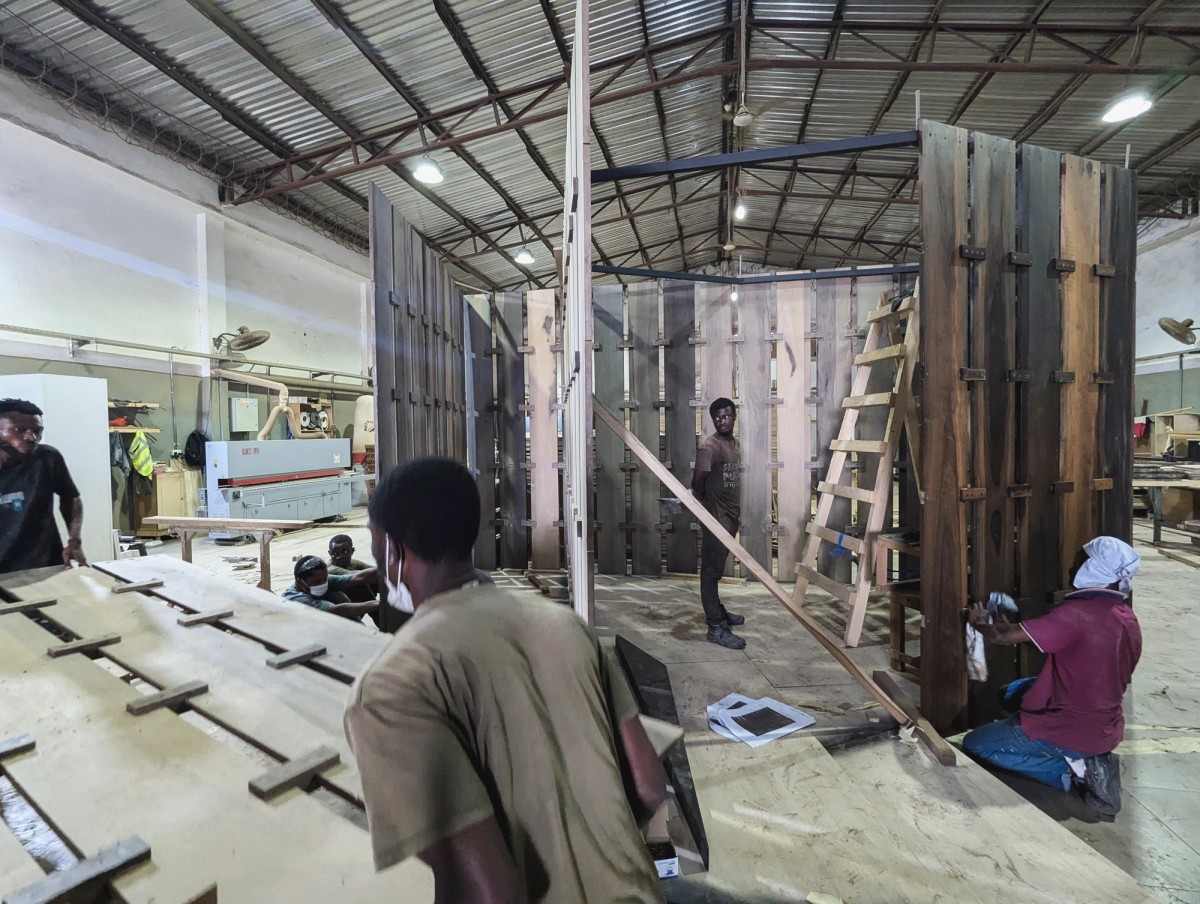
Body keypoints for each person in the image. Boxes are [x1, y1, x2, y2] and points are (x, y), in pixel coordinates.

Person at [344, 457, 667, 903]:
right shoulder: (566, 625)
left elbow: (491, 894)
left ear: (393, 551)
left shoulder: (390, 686)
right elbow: (649, 787)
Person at [961, 536, 1143, 816]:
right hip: (1104, 721)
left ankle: (1076, 769)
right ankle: (1075, 753)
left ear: (1093, 569)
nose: (1072, 567)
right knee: (1011, 693)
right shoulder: (1124, 615)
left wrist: (981, 624)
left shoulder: (1077, 615)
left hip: (1072, 726)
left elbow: (1004, 636)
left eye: (1079, 561)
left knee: (976, 745)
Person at [0, 398, 87, 573]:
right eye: (20, 430)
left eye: (37, 431)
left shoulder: (47, 458)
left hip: (45, 563)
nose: (31, 437)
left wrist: (74, 541)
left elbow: (71, 498)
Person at [690, 396, 747, 649]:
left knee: (716, 570)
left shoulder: (733, 444)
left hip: (729, 518)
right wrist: (708, 509)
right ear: (713, 419)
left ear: (734, 416)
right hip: (716, 520)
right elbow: (697, 484)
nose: (722, 420)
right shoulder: (709, 448)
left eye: (726, 416)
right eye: (717, 417)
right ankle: (715, 627)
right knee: (711, 572)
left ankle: (717, 612)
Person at [283, 555, 379, 621]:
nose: (323, 583)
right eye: (317, 582)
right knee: (334, 595)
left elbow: (357, 578)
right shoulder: (295, 599)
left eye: (325, 578)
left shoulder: (321, 578)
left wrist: (384, 568)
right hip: (309, 633)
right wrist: (378, 604)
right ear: (300, 581)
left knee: (358, 587)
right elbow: (338, 610)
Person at [327, 534, 378, 604]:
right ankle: (376, 609)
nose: (340, 557)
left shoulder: (352, 562)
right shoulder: (331, 569)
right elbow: (359, 576)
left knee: (380, 578)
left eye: (344, 552)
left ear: (352, 551)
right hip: (340, 605)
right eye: (335, 553)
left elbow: (375, 570)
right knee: (361, 582)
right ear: (330, 553)